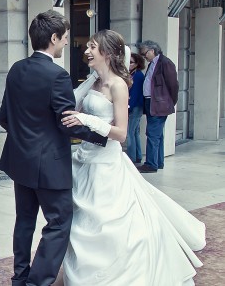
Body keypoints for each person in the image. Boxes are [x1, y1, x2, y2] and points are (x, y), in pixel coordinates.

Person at [61, 29, 205, 285]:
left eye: (92, 47)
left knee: (108, 225)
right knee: (82, 224)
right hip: (83, 161)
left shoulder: (118, 85)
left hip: (106, 166)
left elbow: (121, 133)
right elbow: (72, 108)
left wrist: (86, 119)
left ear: (107, 52)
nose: (86, 51)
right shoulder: (92, 82)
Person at [0, 10, 108, 286]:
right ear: (54, 38)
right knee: (58, 224)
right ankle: (37, 283)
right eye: (65, 38)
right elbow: (66, 123)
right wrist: (102, 136)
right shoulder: (57, 75)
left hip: (19, 161)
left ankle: (20, 278)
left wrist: (25, 138)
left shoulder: (16, 69)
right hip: (49, 165)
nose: (66, 43)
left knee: (24, 221)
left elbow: (3, 117)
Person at [135, 40, 179, 173]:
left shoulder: (165, 63)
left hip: (159, 104)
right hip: (151, 102)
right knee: (157, 135)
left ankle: (151, 164)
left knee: (152, 134)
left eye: (144, 54)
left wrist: (169, 102)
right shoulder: (153, 64)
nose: (144, 57)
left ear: (152, 51)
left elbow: (173, 86)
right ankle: (158, 162)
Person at [126, 52, 146, 163]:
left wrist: (129, 107)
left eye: (131, 62)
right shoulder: (133, 74)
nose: (129, 64)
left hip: (135, 106)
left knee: (130, 133)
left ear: (137, 64)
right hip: (135, 106)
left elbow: (135, 94)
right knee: (135, 132)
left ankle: (132, 158)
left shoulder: (137, 76)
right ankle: (137, 156)